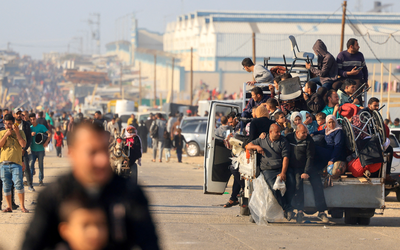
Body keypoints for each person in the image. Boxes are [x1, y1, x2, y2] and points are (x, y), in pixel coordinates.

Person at [21, 121, 159, 250]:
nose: (102, 160)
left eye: (105, 150)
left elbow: (150, 243)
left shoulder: (129, 193)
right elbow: (32, 244)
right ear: (72, 154)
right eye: (92, 152)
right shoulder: (54, 195)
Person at [245, 124, 294, 220]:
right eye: (277, 132)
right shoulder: (262, 139)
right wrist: (256, 147)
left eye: (280, 131)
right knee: (274, 188)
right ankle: (287, 209)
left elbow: (286, 158)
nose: (279, 134)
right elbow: (248, 145)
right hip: (268, 169)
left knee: (292, 182)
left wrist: (283, 172)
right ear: (270, 132)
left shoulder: (283, 141)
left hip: (281, 167)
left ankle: (292, 206)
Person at [285, 124, 329, 223]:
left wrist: (306, 172)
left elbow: (310, 157)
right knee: (298, 184)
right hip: (296, 167)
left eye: (306, 132)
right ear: (297, 132)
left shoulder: (309, 140)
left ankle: (321, 211)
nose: (306, 134)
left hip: (308, 167)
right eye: (303, 133)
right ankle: (299, 211)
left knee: (317, 184)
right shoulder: (289, 138)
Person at [0, 114, 29, 213]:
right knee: (6, 185)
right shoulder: (2, 133)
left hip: (16, 163)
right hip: (4, 163)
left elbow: (24, 145)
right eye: (7, 124)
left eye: (10, 124)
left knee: (18, 183)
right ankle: (9, 207)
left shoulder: (20, 132)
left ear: (14, 124)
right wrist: (6, 135)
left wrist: (17, 133)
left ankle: (22, 206)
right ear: (4, 123)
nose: (9, 126)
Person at [336, 38, 368, 102]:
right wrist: (349, 73)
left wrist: (366, 81)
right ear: (351, 46)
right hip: (345, 79)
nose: (359, 47)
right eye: (357, 45)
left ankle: (357, 105)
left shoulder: (360, 55)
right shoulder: (341, 55)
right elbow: (338, 71)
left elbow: (364, 69)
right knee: (334, 85)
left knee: (355, 89)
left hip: (357, 79)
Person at [29, 113, 52, 186]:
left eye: (34, 119)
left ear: (36, 118)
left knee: (40, 166)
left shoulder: (41, 127)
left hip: (41, 150)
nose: (33, 121)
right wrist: (30, 134)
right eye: (31, 119)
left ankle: (40, 180)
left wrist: (46, 142)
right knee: (31, 165)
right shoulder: (30, 128)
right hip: (32, 150)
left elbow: (50, 134)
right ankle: (31, 180)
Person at [14, 108, 34, 192]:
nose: (19, 115)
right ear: (14, 115)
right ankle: (16, 185)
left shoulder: (26, 124)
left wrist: (24, 149)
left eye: (20, 113)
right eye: (17, 113)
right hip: (14, 150)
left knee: (26, 168)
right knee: (15, 168)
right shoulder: (13, 125)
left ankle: (30, 185)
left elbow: (29, 138)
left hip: (24, 150)